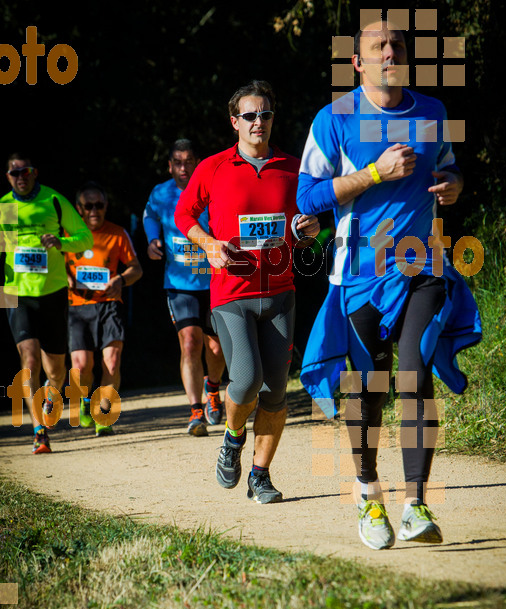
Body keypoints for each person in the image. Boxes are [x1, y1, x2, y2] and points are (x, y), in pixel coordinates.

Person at [297, 18, 482, 547]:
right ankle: (368, 493)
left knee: (413, 369)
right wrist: (376, 172)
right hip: (357, 276)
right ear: (357, 62)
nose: (389, 52)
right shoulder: (334, 118)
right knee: (367, 387)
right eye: (378, 47)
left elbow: (450, 169)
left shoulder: (431, 112)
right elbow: (308, 199)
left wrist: (453, 185)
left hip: (422, 267)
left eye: (397, 44)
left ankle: (416, 504)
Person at [176, 80, 320, 503]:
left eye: (266, 114)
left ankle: (260, 474)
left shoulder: (295, 167)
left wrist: (311, 231)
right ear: (235, 121)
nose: (259, 121)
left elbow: (310, 224)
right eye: (251, 115)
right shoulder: (214, 167)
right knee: (247, 378)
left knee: (277, 390)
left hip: (281, 291)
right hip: (231, 293)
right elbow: (184, 213)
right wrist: (207, 244)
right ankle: (232, 437)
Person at [0, 153, 93, 454]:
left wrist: (61, 243)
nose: (20, 177)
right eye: (14, 173)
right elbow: (3, 249)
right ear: (8, 176)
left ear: (34, 172)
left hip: (52, 290)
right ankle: (39, 430)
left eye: (25, 171)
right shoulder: (6, 207)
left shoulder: (53, 200)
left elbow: (85, 238)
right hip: (15, 292)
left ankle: (52, 395)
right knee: (29, 362)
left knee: (56, 371)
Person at [143, 139, 225, 437]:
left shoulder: (212, 186)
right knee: (190, 343)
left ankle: (213, 389)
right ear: (169, 165)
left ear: (197, 162)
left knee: (215, 347)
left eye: (189, 161)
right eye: (177, 162)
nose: (183, 167)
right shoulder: (161, 193)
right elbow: (150, 215)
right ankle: (195, 411)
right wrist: (153, 240)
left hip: (215, 279)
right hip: (179, 284)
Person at [65, 181, 142, 436]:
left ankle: (104, 415)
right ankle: (85, 401)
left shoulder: (118, 233)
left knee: (112, 361)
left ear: (106, 206)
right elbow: (55, 267)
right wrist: (65, 279)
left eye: (99, 205)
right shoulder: (68, 236)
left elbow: (136, 269)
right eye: (89, 206)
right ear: (79, 208)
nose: (95, 210)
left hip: (109, 305)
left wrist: (120, 279)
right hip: (77, 306)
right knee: (82, 366)